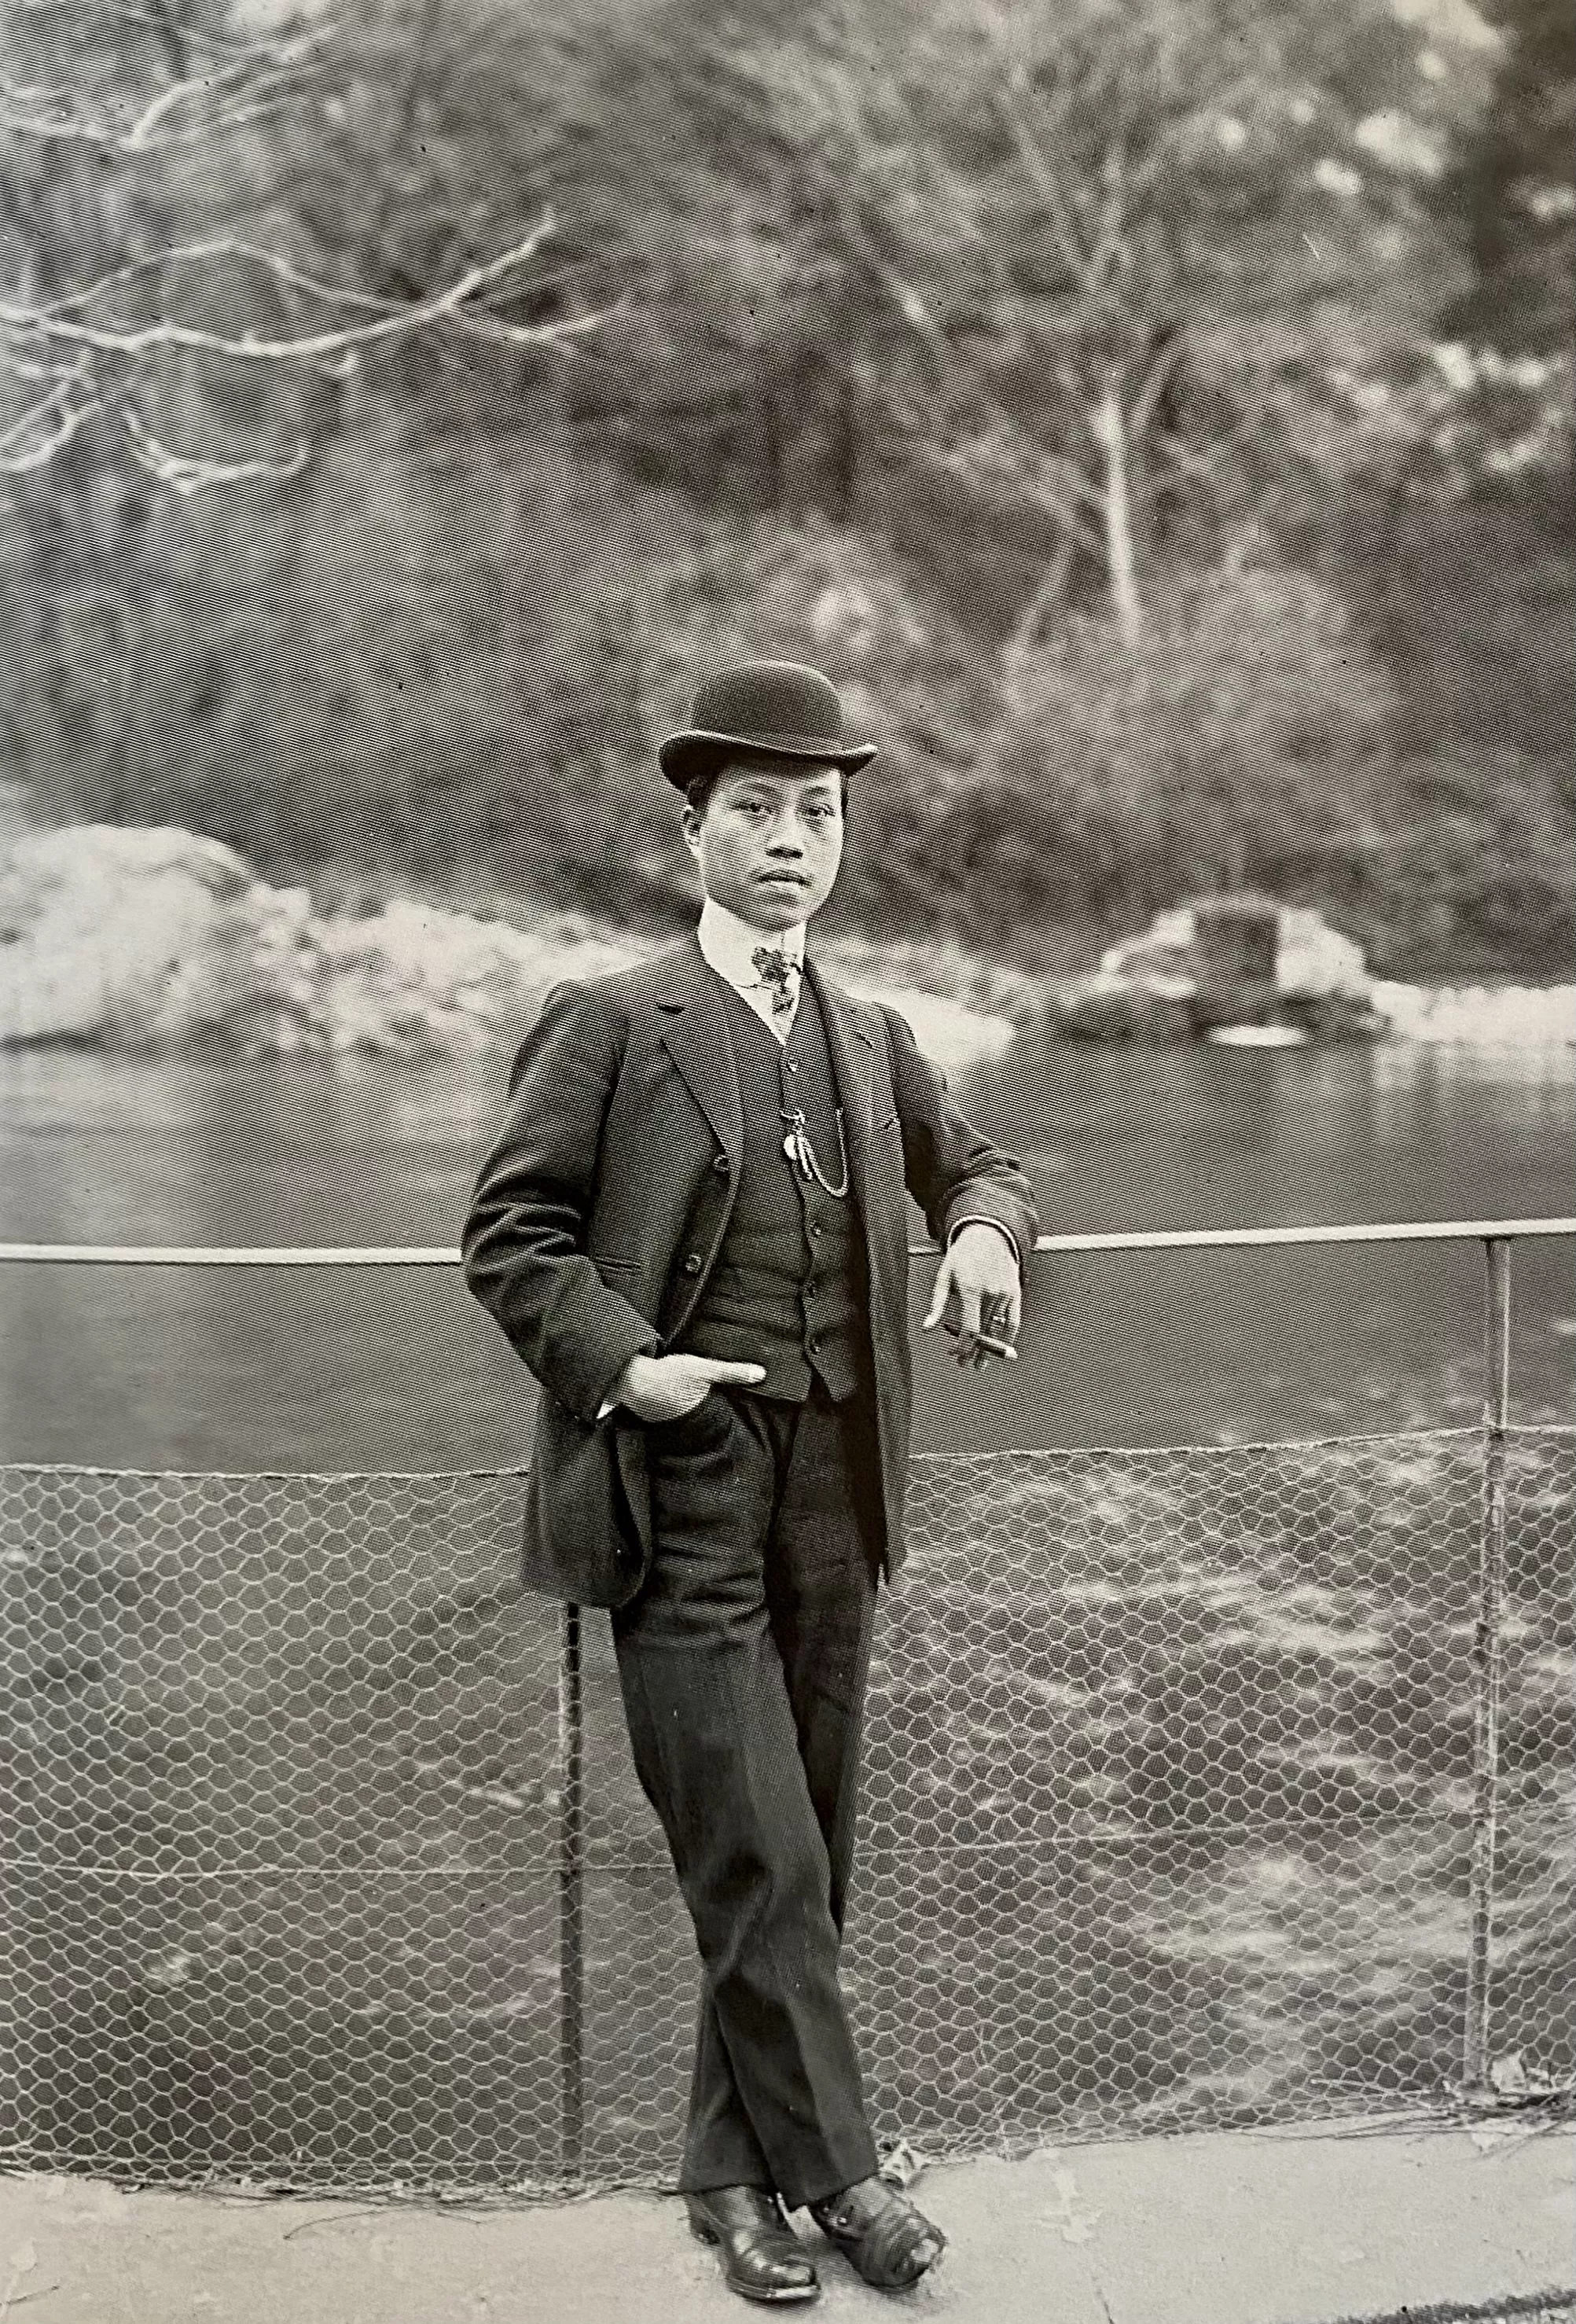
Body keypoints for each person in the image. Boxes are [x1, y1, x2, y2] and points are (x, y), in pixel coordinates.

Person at [463, 660, 1038, 2304]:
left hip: (835, 1496)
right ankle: (843, 2181)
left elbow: (980, 1161)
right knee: (760, 1852)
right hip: (677, 1492)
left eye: (821, 813)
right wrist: (623, 1361)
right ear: (693, 828)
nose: (794, 840)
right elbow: (509, 1235)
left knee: (807, 1849)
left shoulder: (872, 1034)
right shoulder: (611, 1017)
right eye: (761, 811)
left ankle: (728, 2178)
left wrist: (986, 1231)